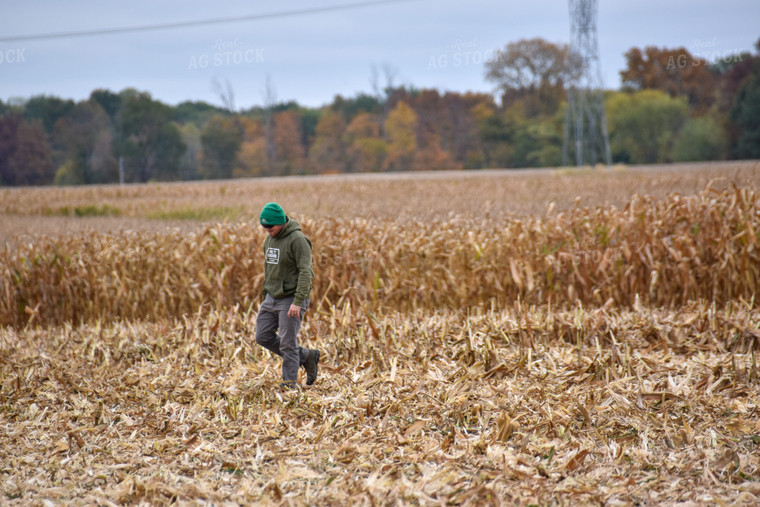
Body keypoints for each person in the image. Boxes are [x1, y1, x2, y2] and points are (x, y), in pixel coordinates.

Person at [254, 202, 320, 389]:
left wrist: (298, 301)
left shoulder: (297, 240)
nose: (267, 230)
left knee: (287, 342)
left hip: (291, 299)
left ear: (281, 222)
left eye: (270, 226)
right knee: (262, 336)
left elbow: (306, 272)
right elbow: (269, 269)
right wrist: (265, 293)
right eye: (264, 226)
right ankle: (307, 356)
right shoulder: (270, 240)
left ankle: (290, 383)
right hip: (271, 297)